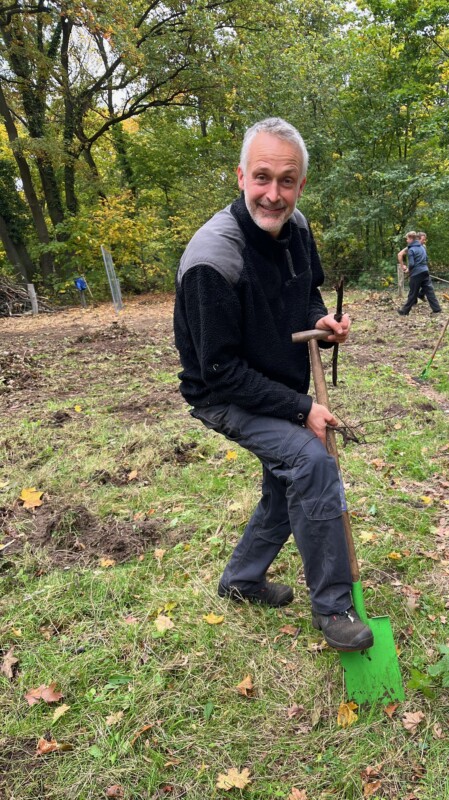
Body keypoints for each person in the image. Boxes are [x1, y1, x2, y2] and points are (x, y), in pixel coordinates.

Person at [173, 117, 373, 653]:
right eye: (262, 177)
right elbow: (220, 370)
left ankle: (241, 580)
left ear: (300, 184)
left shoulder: (297, 228)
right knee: (311, 463)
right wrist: (301, 407)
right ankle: (334, 608)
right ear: (241, 176)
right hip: (222, 393)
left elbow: (308, 294)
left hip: (272, 382)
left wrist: (321, 324)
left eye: (287, 181)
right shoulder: (213, 259)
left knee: (287, 485)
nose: (273, 194)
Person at [397, 230, 441, 316]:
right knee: (430, 291)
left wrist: (408, 270)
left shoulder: (411, 249)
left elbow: (412, 264)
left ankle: (404, 311)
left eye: (407, 239)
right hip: (425, 271)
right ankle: (437, 309)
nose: (406, 241)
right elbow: (426, 259)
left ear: (411, 239)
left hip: (416, 274)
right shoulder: (422, 247)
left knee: (413, 293)